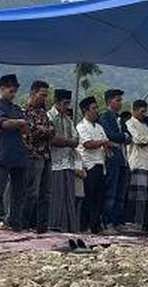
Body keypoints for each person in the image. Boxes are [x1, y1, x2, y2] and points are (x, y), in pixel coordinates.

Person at [0, 74, 28, 231]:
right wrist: (18, 122)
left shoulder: (16, 109)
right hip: (3, 153)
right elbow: (3, 124)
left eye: (15, 91)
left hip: (19, 154)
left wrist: (18, 123)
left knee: (19, 193)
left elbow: (25, 127)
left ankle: (16, 222)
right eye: (10, 91)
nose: (13, 94)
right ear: (2, 89)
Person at [21, 80, 54, 234]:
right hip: (34, 154)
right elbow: (31, 132)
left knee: (46, 193)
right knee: (31, 192)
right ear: (33, 93)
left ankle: (42, 227)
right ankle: (25, 224)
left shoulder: (43, 113)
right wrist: (44, 130)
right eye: (42, 95)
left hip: (46, 155)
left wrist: (44, 130)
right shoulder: (24, 111)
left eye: (46, 95)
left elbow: (52, 131)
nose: (44, 98)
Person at [46, 89, 81, 232]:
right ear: (57, 102)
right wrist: (68, 141)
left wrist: (65, 141)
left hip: (68, 162)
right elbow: (53, 139)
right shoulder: (49, 116)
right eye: (65, 103)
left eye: (68, 103)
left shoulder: (67, 119)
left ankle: (68, 227)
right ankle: (54, 226)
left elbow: (77, 139)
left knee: (69, 197)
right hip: (55, 162)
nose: (67, 106)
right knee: (56, 196)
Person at [76, 95, 112, 233]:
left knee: (99, 198)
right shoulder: (81, 126)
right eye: (94, 108)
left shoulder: (99, 127)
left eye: (97, 108)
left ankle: (95, 226)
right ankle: (84, 226)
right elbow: (87, 144)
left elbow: (106, 142)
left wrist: (107, 148)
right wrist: (104, 143)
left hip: (100, 164)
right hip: (89, 165)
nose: (97, 110)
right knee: (88, 198)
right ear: (86, 110)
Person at [98, 89, 129, 231]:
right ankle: (107, 221)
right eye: (118, 100)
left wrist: (122, 136)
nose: (120, 103)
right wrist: (122, 137)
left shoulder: (120, 119)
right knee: (111, 191)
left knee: (120, 193)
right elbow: (109, 135)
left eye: (120, 100)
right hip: (112, 159)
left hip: (123, 158)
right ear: (110, 101)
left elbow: (129, 135)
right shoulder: (105, 117)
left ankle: (118, 221)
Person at [125, 99, 148, 232]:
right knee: (138, 196)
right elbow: (138, 140)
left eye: (145, 112)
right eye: (142, 111)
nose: (144, 114)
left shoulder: (144, 125)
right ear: (134, 110)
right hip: (138, 162)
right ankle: (135, 224)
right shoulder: (129, 123)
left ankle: (147, 224)